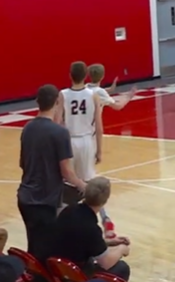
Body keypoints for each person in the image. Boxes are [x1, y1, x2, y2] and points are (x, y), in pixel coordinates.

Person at [18, 84, 86, 262]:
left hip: (25, 198)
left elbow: (23, 164)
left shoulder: (27, 128)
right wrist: (85, 186)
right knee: (46, 254)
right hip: (44, 201)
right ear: (57, 102)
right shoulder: (60, 132)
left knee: (33, 248)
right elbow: (67, 173)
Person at [55, 62, 113, 234]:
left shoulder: (63, 94)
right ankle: (105, 220)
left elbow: (57, 124)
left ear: (70, 75)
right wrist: (100, 150)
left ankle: (64, 222)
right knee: (89, 184)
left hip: (70, 141)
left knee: (69, 184)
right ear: (86, 76)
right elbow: (99, 127)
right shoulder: (93, 95)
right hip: (88, 141)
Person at [52, 177, 131, 280]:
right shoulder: (91, 227)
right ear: (105, 200)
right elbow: (106, 263)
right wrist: (121, 249)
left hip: (59, 268)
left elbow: (81, 241)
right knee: (122, 268)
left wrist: (109, 242)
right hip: (75, 273)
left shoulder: (69, 210)